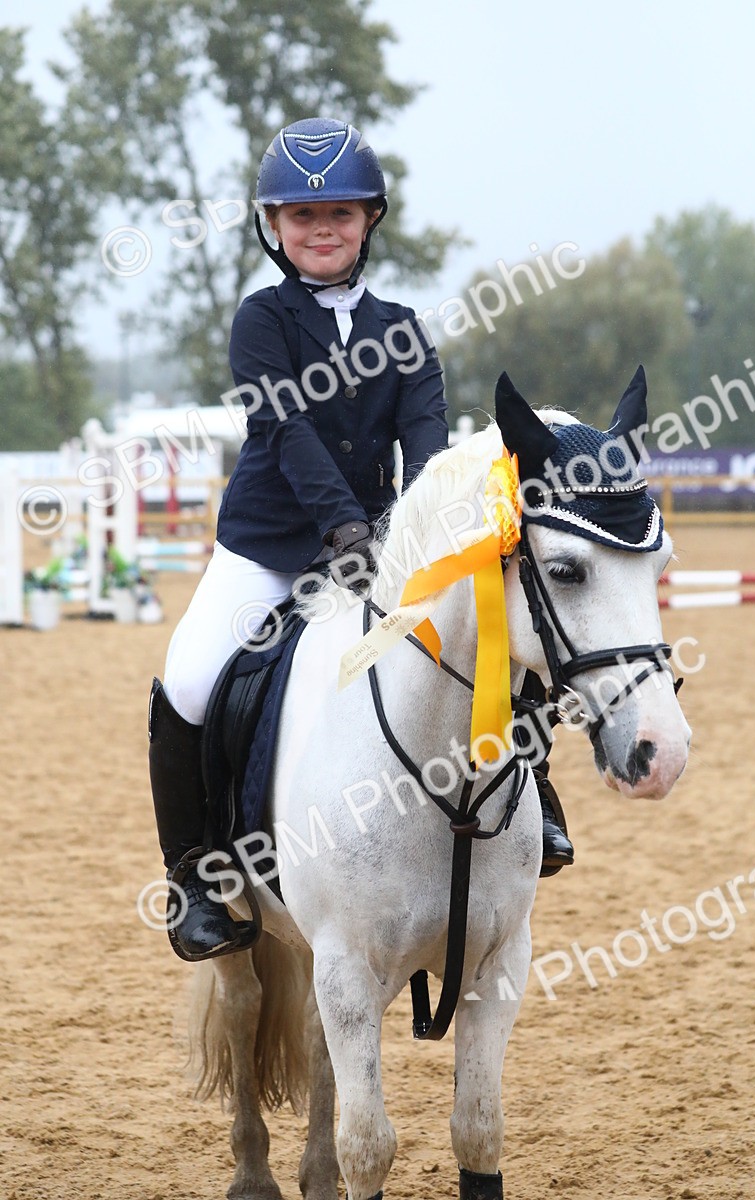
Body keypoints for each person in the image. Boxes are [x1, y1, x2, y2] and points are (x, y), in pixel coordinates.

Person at [148, 117, 572, 964]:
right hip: (268, 549)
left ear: (370, 220)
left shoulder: (406, 330)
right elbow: (286, 431)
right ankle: (195, 881)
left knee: (493, 634)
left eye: (340, 212)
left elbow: (424, 445)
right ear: (275, 227)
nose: (322, 229)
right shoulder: (259, 323)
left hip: (382, 551)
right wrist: (343, 525)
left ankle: (540, 801)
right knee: (190, 678)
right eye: (302, 217)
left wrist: (413, 532)